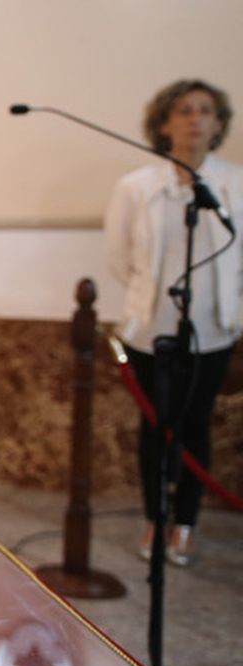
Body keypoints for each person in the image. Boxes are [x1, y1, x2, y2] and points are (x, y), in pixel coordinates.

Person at [105, 79, 240, 567]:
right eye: (184, 110)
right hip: (153, 326)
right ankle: (154, 517)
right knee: (155, 425)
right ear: (164, 123)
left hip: (214, 327)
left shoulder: (235, 184)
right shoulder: (137, 187)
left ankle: (186, 523)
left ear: (219, 123)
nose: (195, 119)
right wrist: (146, 298)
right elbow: (120, 257)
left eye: (206, 110)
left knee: (195, 423)